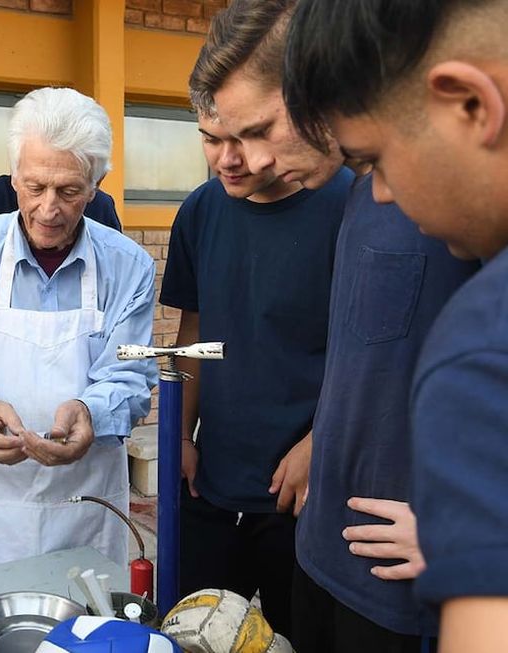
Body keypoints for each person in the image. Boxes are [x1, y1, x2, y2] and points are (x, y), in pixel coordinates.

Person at [192, 2, 477, 650]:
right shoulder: (361, 193)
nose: (249, 161)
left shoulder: (458, 191)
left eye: (262, 129)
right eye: (222, 139)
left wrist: (473, 528)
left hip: (401, 592)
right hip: (319, 559)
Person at [282, 1, 508, 650]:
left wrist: (463, 531)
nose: (380, 193)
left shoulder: (483, 344)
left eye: (375, 160)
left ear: (469, 104)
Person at [0, 87, 156, 571]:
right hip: (2, 508)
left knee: (93, 635)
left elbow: (131, 376)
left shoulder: (127, 266)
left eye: (69, 191)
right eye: (35, 187)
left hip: (92, 501)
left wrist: (92, 412)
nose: (49, 209)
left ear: (96, 186)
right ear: (14, 178)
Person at [161, 98, 351, 637]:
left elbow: (367, 352)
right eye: (209, 139)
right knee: (188, 635)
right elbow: (193, 334)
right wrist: (177, 434)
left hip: (304, 494)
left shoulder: (346, 204)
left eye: (243, 138)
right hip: (210, 484)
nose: (226, 159)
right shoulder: (199, 211)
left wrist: (321, 442)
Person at [0, 173, 122, 235]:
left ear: (94, 184)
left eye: (69, 192)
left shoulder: (101, 207)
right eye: (35, 188)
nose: (47, 213)